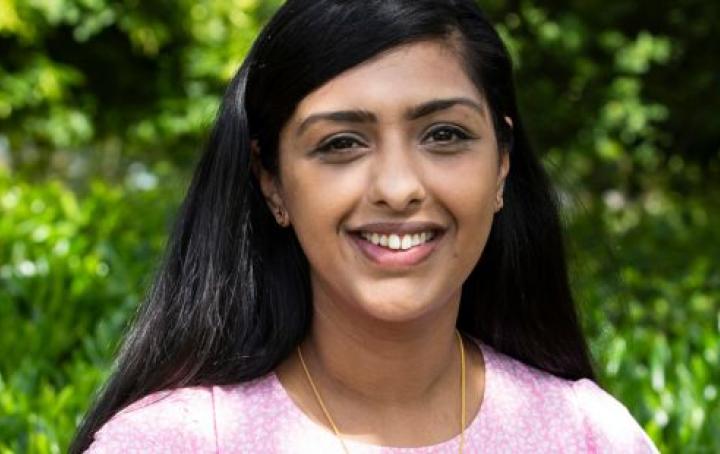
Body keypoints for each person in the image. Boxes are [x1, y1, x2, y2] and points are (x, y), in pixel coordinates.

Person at [71, 0, 659, 452]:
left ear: (502, 162)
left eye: (444, 135)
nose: (398, 187)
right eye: (341, 143)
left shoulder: (587, 434)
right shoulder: (174, 442)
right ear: (271, 180)